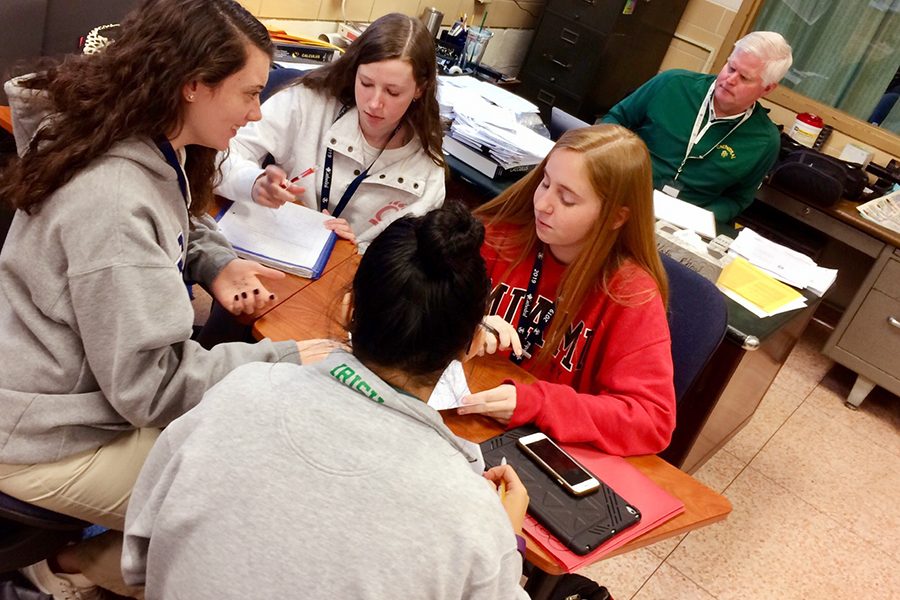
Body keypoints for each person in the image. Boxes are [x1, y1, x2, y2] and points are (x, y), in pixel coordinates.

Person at [0, 0, 332, 596]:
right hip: (39, 435)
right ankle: (70, 571)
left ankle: (86, 562)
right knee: (248, 507)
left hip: (51, 388)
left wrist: (216, 260)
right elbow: (150, 387)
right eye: (249, 93)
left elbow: (172, 208)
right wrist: (285, 361)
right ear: (192, 87)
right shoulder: (112, 202)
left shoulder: (130, 129)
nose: (256, 111)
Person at [121, 203, 531, 599]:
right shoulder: (471, 515)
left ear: (349, 308)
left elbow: (141, 556)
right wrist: (507, 542)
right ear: (471, 345)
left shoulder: (239, 391)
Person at [460, 124, 676, 457]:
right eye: (545, 182)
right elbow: (414, 289)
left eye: (567, 198)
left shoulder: (631, 293)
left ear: (616, 217)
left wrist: (540, 403)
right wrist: (462, 323)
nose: (543, 204)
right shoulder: (503, 234)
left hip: (538, 447)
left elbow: (652, 420)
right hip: (466, 411)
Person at [215, 12, 446, 249]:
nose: (375, 103)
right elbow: (217, 158)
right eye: (366, 83)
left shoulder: (427, 173)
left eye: (393, 92)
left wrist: (356, 249)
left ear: (420, 89)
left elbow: (403, 264)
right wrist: (254, 182)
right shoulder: (307, 103)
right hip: (274, 244)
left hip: (346, 275)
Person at [602, 31, 793, 223]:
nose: (730, 80)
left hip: (682, 222)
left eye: (744, 78)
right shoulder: (673, 83)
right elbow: (615, 119)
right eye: (731, 68)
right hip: (623, 191)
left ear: (767, 88)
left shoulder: (765, 141)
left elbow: (738, 199)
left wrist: (699, 219)